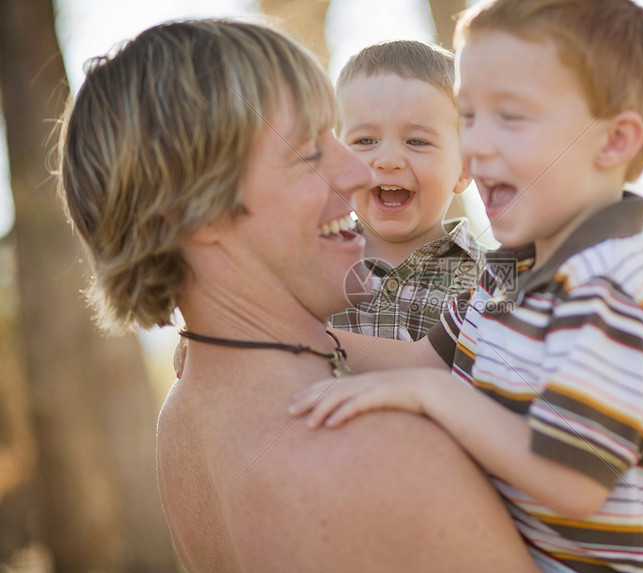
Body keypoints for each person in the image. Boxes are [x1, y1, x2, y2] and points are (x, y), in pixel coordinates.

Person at [56, 19, 541, 572]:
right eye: (310, 151)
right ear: (200, 213)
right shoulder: (397, 453)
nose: (360, 171)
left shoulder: (181, 420)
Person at [290, 1, 643, 571]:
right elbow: (422, 361)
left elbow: (574, 481)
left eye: (510, 117)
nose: (475, 146)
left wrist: (437, 398)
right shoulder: (506, 274)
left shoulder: (609, 287)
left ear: (614, 141)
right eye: (468, 117)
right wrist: (283, 337)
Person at [329, 40, 485, 341]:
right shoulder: (310, 260)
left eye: (416, 141)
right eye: (364, 141)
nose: (388, 161)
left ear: (464, 169)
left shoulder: (490, 278)